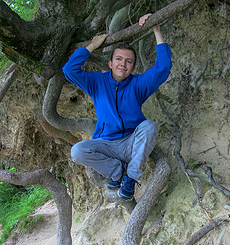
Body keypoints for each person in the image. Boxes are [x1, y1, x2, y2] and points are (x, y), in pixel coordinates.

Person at [63, 13, 172, 200]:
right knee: (77, 151)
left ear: (133, 67)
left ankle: (131, 177)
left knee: (149, 127)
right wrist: (91, 46)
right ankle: (117, 172)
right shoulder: (97, 82)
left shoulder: (138, 84)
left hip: (131, 142)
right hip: (107, 144)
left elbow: (163, 68)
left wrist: (156, 29)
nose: (123, 64)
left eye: (128, 61)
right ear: (110, 63)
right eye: (119, 59)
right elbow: (69, 70)